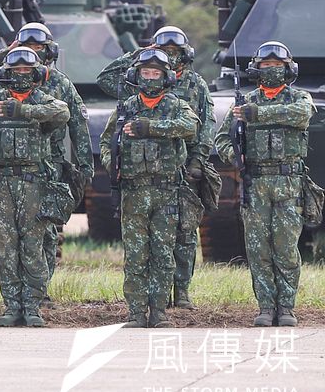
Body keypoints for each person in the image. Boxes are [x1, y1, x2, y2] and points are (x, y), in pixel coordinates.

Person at [0, 23, 92, 307]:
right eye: (25, 48)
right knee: (18, 236)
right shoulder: (5, 80)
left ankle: (40, 292)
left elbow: (77, 124)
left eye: (37, 49)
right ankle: (26, 296)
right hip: (12, 164)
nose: (31, 54)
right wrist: (2, 56)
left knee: (45, 232)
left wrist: (84, 166)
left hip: (52, 162)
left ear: (48, 52)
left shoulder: (59, 82)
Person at [98, 25, 215, 309]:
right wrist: (144, 55)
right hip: (141, 170)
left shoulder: (195, 84)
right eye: (164, 52)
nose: (169, 57)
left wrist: (198, 161)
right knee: (144, 244)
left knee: (184, 234)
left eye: (174, 53)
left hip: (183, 166)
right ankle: (145, 302)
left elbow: (205, 125)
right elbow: (105, 79)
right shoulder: (139, 81)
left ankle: (181, 291)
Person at [213, 42, 314, 327]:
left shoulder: (298, 98)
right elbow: (221, 139)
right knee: (258, 249)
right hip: (255, 181)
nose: (271, 71)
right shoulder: (241, 104)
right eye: (266, 66)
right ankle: (266, 307)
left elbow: (302, 116)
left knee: (285, 248)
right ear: (256, 69)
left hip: (288, 183)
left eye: (277, 66)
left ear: (288, 69)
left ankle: (287, 308)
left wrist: (257, 114)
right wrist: (236, 156)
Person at [0, 47, 70, 328]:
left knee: (32, 246)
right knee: (6, 247)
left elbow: (62, 112)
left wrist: (23, 110)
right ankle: (12, 306)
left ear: (35, 73)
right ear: (8, 73)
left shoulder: (42, 100)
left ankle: (33, 306)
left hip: (33, 182)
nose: (22, 75)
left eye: (27, 70)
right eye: (17, 70)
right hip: (1, 184)